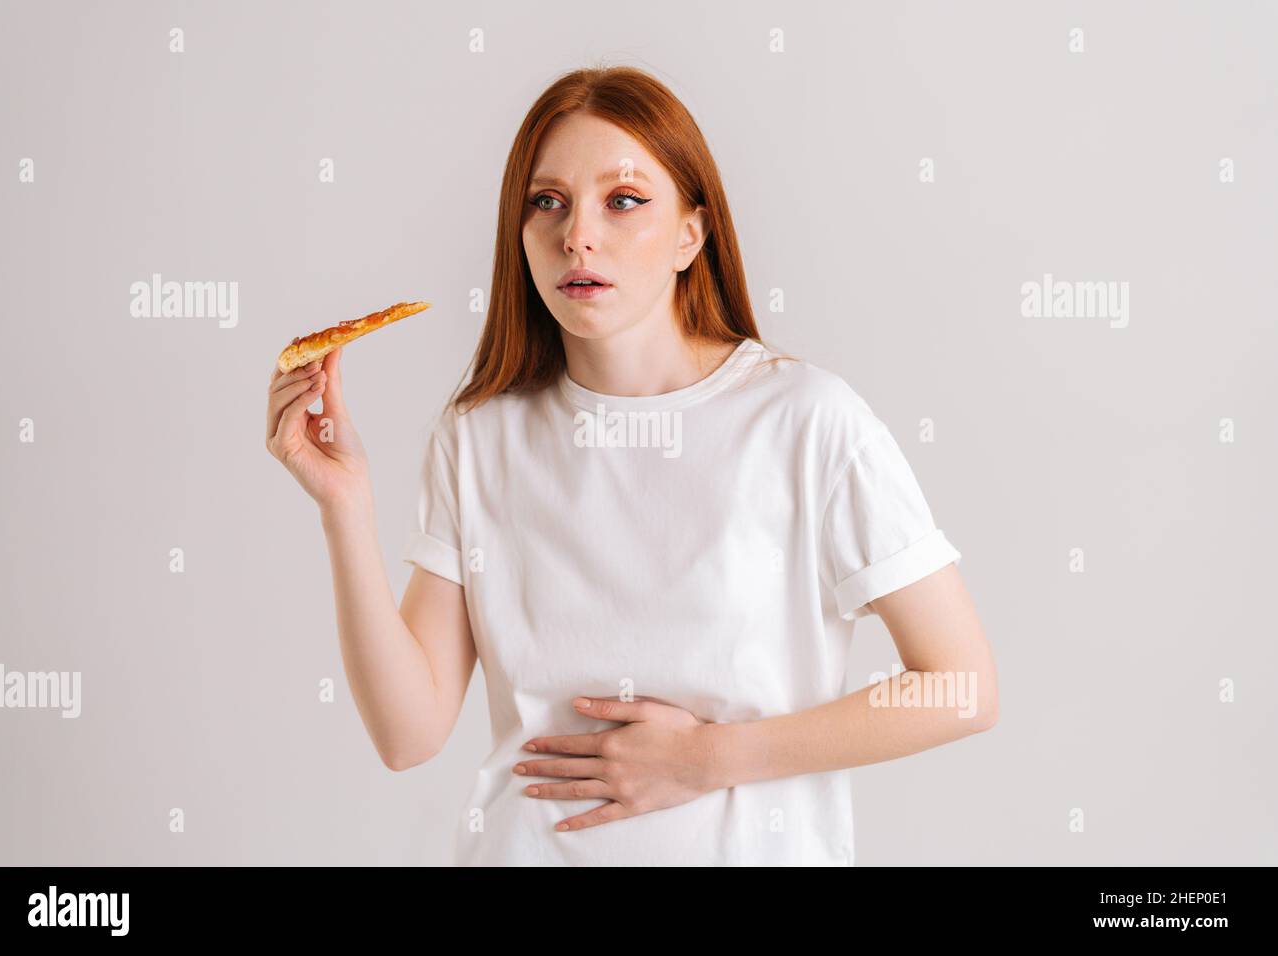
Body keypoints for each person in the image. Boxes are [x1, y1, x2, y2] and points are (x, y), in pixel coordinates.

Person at [265, 65, 997, 866]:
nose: (578, 235)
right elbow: (408, 736)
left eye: (623, 201)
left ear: (692, 232)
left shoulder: (807, 421)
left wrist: (705, 759)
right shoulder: (478, 435)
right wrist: (345, 507)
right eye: (548, 202)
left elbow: (961, 688)